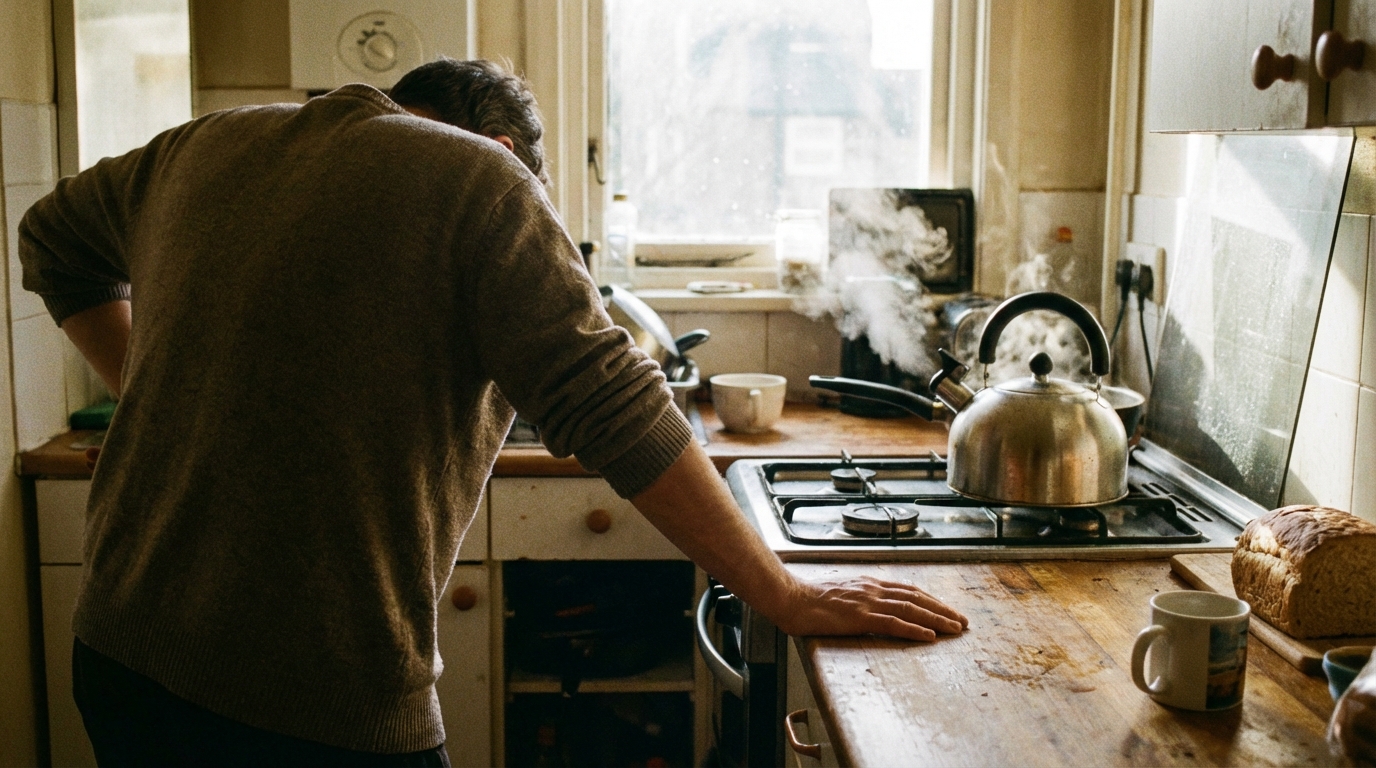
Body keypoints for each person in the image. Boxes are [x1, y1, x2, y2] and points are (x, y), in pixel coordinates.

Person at [20, 58, 967, 766]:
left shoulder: (209, 141)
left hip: (121, 655)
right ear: (508, 153)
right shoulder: (478, 175)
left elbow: (51, 238)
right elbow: (614, 405)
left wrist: (149, 382)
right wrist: (783, 592)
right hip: (315, 703)